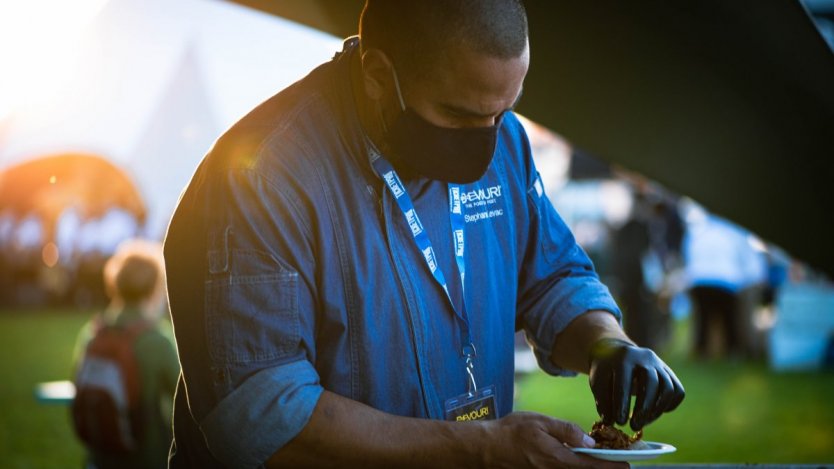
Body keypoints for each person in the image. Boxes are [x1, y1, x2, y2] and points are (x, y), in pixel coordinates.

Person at [164, 1, 685, 467]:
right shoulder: (261, 176)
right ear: (378, 74)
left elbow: (550, 276)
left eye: (503, 111)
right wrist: (478, 448)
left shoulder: (504, 137)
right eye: (458, 115)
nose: (489, 141)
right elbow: (262, 417)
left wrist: (605, 344)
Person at [72, 239, 179, 469]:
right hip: (147, 458)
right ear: (155, 287)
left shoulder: (93, 334)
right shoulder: (156, 341)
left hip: (99, 458)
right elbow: (186, 398)